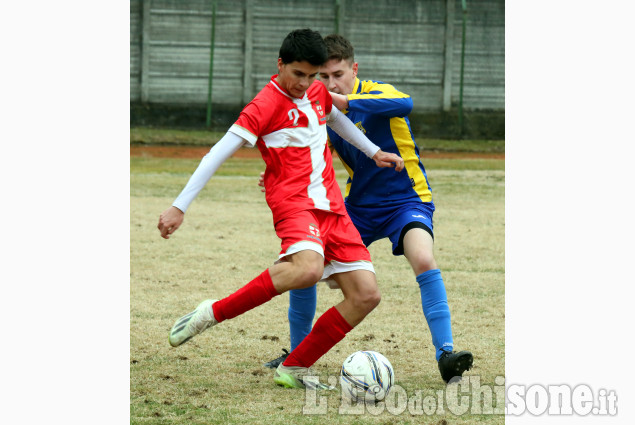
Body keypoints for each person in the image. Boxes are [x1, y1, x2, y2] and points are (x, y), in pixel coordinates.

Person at [157, 29, 405, 390]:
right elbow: (216, 154)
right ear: (280, 64)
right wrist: (179, 207)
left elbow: (336, 119)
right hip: (293, 205)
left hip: (333, 207)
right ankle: (211, 312)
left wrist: (374, 152)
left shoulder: (319, 91)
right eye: (298, 74)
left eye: (312, 75)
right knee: (307, 269)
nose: (305, 84)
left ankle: (294, 366)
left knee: (367, 295)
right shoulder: (264, 106)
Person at [261, 34, 473, 384]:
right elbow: (307, 151)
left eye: (338, 74)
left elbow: (406, 103)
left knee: (423, 258)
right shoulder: (319, 110)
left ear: (354, 69)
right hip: (357, 208)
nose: (330, 83)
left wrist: (343, 100)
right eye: (323, 77)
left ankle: (447, 354)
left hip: (407, 202)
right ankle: (298, 355)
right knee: (304, 264)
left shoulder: (376, 92)